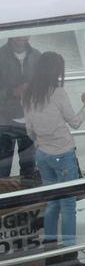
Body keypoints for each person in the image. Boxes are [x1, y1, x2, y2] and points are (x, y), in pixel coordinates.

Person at [23, 51, 85, 266]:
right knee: (68, 207)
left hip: (42, 155)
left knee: (52, 204)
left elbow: (29, 131)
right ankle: (70, 261)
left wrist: (43, 142)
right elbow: (75, 122)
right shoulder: (58, 93)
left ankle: (51, 256)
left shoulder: (29, 94)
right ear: (56, 71)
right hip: (63, 155)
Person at [0, 36, 41, 184]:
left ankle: (28, 194)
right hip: (4, 121)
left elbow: (46, 84)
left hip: (30, 119)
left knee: (29, 168)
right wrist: (12, 92)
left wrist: (35, 90)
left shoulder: (37, 55)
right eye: (17, 36)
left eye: (24, 35)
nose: (20, 39)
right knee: (2, 168)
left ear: (29, 36)